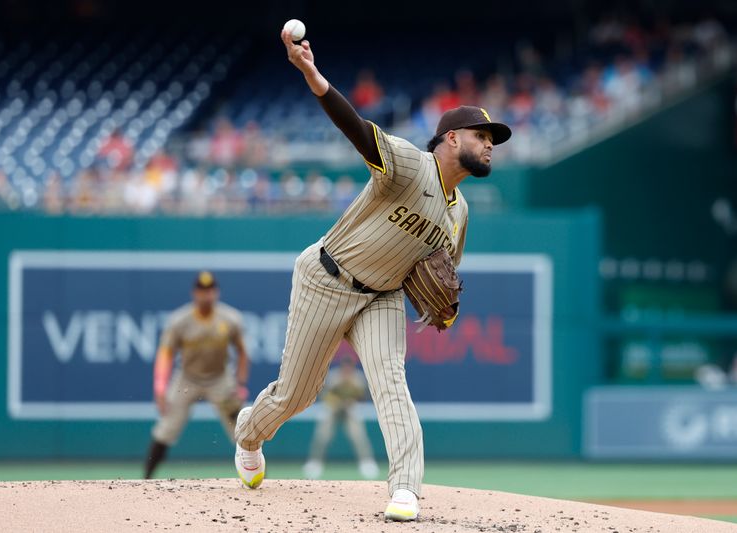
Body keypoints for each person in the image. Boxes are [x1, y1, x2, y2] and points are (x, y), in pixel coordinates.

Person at [234, 28, 511, 522]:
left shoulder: (461, 211)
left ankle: (405, 490)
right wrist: (311, 74)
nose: (489, 146)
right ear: (451, 138)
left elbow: (442, 274)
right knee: (296, 394)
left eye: (492, 141)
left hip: (380, 297)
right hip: (326, 277)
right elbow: (357, 130)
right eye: (481, 136)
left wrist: (443, 308)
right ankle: (250, 432)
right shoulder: (409, 163)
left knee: (390, 381)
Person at [144, 271, 250, 479]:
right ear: (194, 293)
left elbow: (243, 353)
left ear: (216, 293)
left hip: (220, 379)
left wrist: (240, 384)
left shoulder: (230, 319)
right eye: (202, 291)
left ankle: (260, 477)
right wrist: (160, 387)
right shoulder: (180, 321)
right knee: (166, 429)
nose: (206, 295)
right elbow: (165, 354)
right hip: (187, 378)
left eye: (210, 291)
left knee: (242, 432)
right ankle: (146, 478)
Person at [302, 357, 379, 480]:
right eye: (345, 368)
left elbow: (363, 397)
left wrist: (351, 401)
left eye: (349, 368)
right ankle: (314, 463)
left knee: (358, 436)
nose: (347, 370)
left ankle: (367, 463)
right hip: (333, 408)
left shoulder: (358, 379)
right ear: (342, 368)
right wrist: (337, 401)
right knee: (323, 435)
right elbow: (324, 395)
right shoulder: (334, 377)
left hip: (349, 409)